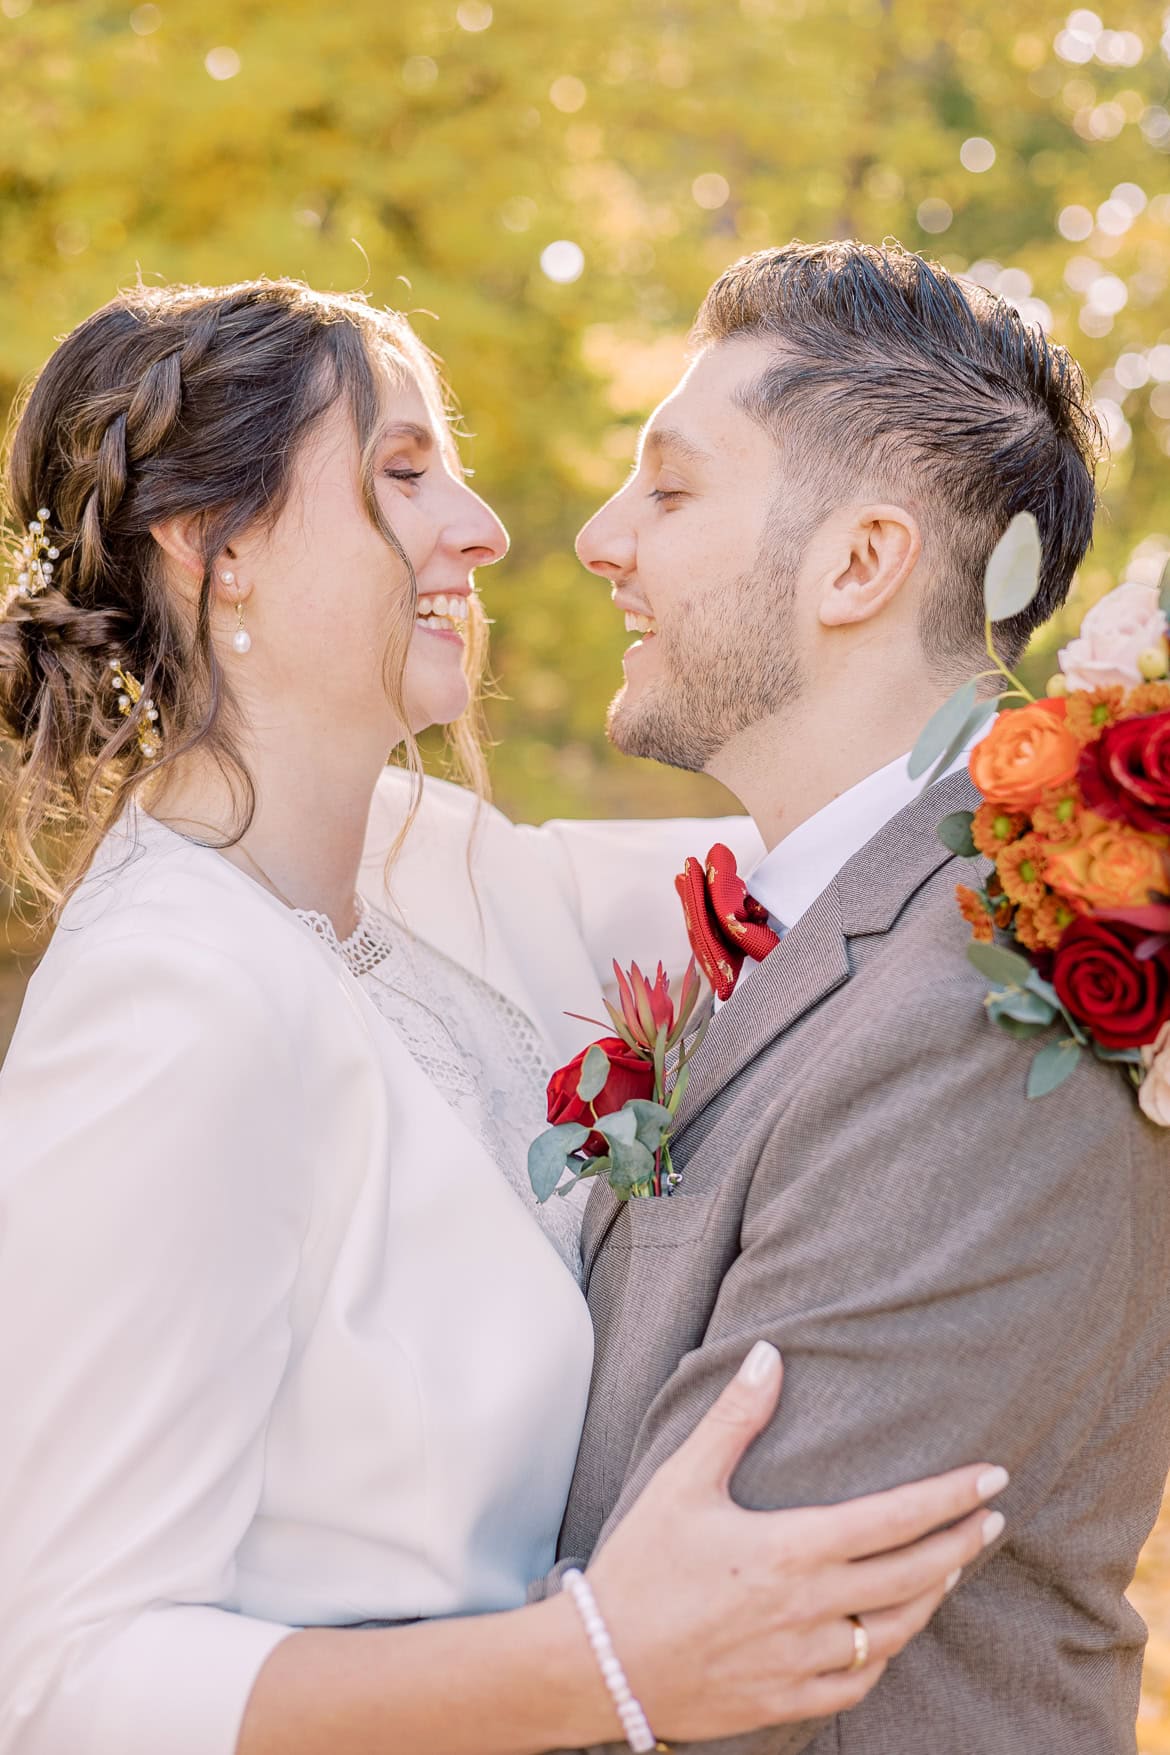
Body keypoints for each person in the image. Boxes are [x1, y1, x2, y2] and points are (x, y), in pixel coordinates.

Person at [0, 280, 1004, 1755]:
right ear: (216, 551)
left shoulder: (435, 873)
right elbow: (64, 1682)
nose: (484, 528)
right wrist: (600, 1667)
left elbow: (864, 860)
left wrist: (1109, 802)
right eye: (403, 474)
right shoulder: (171, 1004)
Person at [535, 241, 1170, 1753]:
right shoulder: (821, 921)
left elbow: (701, 1668)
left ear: (859, 563)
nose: (595, 537)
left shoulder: (981, 1007)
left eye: (669, 489)